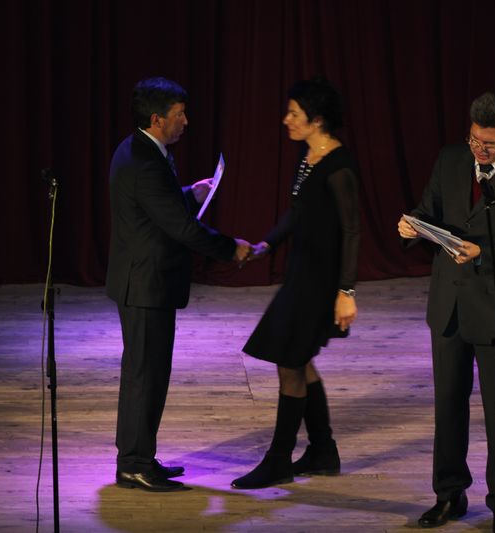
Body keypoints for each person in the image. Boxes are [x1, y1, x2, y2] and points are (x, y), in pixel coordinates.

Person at [397, 93, 495, 531]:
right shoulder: (450, 159)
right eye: (474, 140)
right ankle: (449, 494)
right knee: (448, 407)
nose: (479, 150)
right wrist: (413, 226)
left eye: (489, 144)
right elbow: (429, 210)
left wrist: (481, 253)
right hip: (448, 304)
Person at [106, 76, 251, 492]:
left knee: (150, 374)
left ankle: (140, 457)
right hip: (144, 285)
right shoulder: (144, 162)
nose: (186, 121)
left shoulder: (142, 150)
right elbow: (182, 228)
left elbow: (159, 206)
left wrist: (190, 192)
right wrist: (231, 249)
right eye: (179, 115)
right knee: (144, 376)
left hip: (148, 282)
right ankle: (133, 464)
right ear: (157, 119)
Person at [231, 77, 360, 489]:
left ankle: (278, 460)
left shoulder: (339, 166)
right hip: (300, 274)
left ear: (317, 120)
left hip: (320, 282)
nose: (285, 120)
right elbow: (297, 211)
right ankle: (323, 450)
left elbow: (352, 231)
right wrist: (267, 243)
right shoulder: (307, 156)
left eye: (294, 114)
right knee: (298, 360)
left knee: (290, 361)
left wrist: (346, 292)